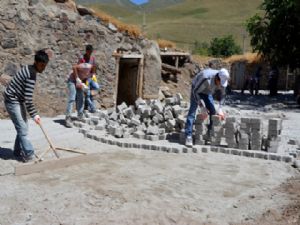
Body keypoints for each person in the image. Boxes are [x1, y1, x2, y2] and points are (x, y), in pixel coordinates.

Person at [4, 50, 49, 162]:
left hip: (18, 99)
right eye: (41, 65)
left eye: (45, 65)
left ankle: (17, 151)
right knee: (23, 128)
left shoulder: (30, 68)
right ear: (36, 62)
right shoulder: (31, 75)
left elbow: (26, 97)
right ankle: (29, 155)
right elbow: (28, 100)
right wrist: (35, 115)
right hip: (11, 99)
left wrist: (34, 115)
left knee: (23, 126)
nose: (43, 68)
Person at [185, 68, 230, 147]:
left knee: (213, 111)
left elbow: (223, 95)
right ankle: (188, 136)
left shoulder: (223, 79)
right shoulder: (206, 77)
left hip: (207, 91)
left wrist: (220, 108)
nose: (220, 86)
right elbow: (195, 92)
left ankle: (209, 134)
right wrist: (202, 106)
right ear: (217, 78)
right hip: (196, 89)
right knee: (192, 111)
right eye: (220, 83)